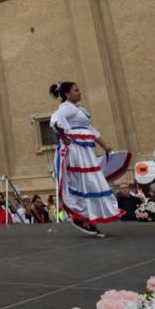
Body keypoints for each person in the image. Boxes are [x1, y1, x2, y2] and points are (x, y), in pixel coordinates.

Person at [49, 81, 131, 237]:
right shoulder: (66, 108)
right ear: (67, 94)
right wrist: (64, 137)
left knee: (90, 183)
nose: (80, 93)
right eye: (76, 90)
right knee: (83, 182)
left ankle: (87, 218)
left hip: (86, 151)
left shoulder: (79, 109)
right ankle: (80, 217)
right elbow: (55, 120)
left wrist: (106, 146)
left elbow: (92, 130)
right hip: (76, 151)